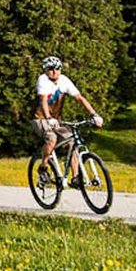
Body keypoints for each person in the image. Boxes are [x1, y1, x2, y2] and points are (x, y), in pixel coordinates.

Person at [34, 56, 103, 187]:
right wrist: (48, 118)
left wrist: (94, 114)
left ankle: (76, 177)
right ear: (45, 70)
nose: (54, 72)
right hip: (39, 118)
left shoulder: (64, 80)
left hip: (56, 120)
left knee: (72, 142)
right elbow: (43, 101)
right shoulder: (42, 80)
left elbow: (79, 98)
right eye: (51, 69)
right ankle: (43, 167)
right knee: (51, 139)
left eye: (57, 69)